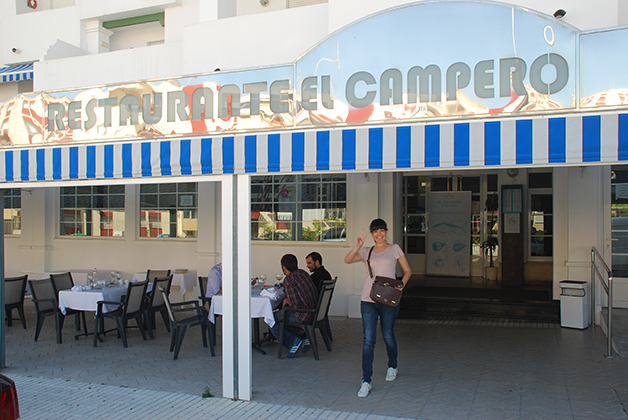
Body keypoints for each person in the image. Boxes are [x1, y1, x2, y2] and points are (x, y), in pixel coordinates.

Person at [344, 218, 411, 398]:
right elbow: (347, 260)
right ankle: (366, 380)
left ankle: (393, 365)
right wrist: (358, 246)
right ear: (372, 234)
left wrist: (400, 287)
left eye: (382, 230)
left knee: (388, 335)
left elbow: (407, 271)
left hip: (389, 300)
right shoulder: (368, 251)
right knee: (368, 340)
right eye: (375, 231)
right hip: (369, 299)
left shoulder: (394, 248)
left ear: (386, 232)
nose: (379, 233)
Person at [269, 254, 318, 358]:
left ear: (284, 267)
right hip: (314, 311)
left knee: (271, 318)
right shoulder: (302, 273)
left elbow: (295, 305)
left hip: (304, 314)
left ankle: (292, 342)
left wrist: (288, 301)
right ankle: (303, 335)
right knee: (282, 314)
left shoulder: (289, 280)